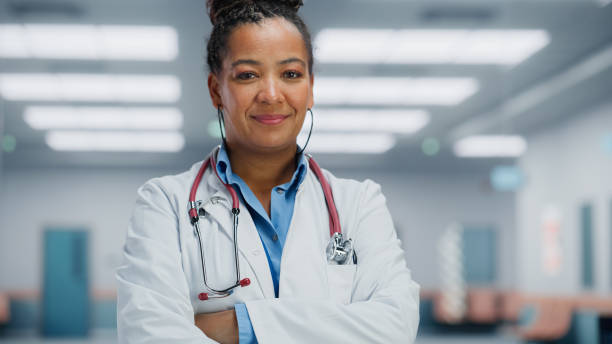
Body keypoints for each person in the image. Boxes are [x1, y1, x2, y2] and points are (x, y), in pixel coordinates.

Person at [116, 0, 420, 343]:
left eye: (291, 74)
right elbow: (149, 334)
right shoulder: (164, 203)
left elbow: (394, 328)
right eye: (248, 75)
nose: (272, 94)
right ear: (217, 90)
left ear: (311, 88)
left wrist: (241, 325)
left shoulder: (359, 202)